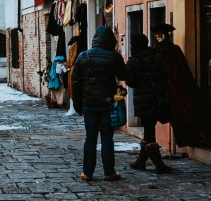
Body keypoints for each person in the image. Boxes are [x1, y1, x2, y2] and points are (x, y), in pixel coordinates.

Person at [71, 26, 128, 182]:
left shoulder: (83, 56)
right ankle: (109, 172)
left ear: (95, 39)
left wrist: (77, 104)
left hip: (88, 104)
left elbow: (75, 83)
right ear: (110, 40)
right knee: (107, 138)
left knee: (90, 137)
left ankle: (87, 172)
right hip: (107, 103)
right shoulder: (114, 57)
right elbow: (124, 75)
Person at [153, 23, 211, 149]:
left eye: (160, 34)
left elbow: (180, 70)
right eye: (156, 34)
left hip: (177, 87)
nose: (158, 36)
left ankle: (196, 137)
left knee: (187, 111)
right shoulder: (157, 51)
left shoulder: (173, 50)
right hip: (167, 89)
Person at [125, 33, 171, 173]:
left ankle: (159, 165)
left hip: (143, 100)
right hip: (157, 97)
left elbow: (130, 82)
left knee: (149, 131)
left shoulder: (133, 61)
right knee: (149, 129)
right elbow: (167, 73)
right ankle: (141, 161)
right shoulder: (156, 57)